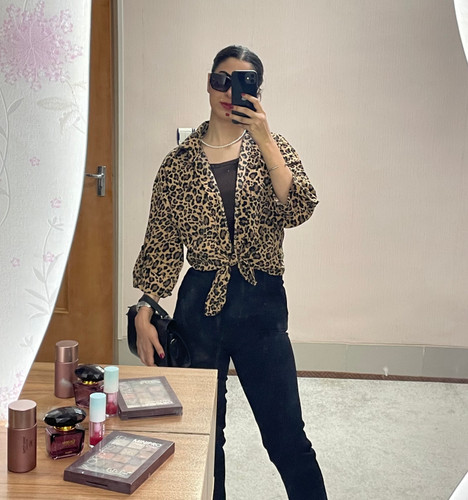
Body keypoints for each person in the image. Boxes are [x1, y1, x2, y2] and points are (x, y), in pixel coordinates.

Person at [133, 45, 327, 500]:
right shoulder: (178, 164)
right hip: (199, 307)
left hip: (262, 305)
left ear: (257, 90)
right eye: (221, 79)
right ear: (208, 82)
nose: (228, 91)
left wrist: (266, 140)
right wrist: (145, 308)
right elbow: (162, 243)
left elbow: (299, 208)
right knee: (203, 437)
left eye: (242, 82)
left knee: (286, 435)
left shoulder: (273, 148)